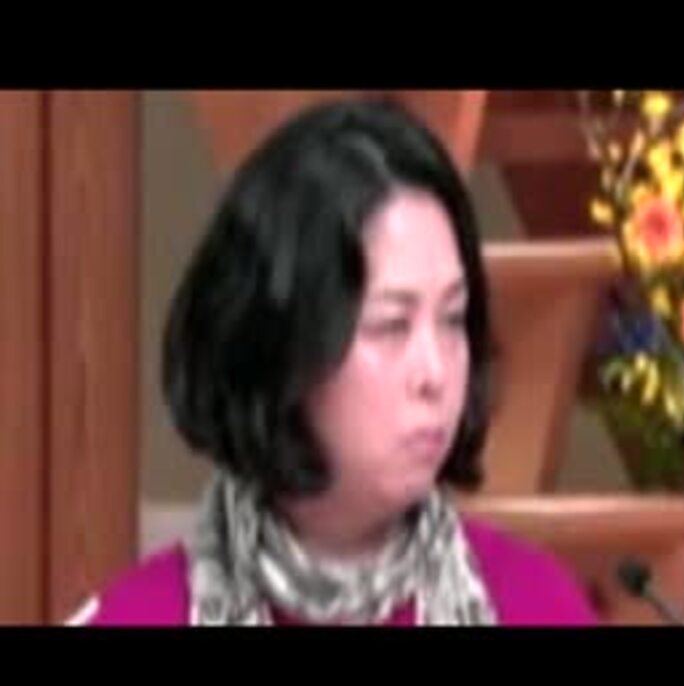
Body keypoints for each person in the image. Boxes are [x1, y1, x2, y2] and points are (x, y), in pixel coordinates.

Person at [71, 96, 598, 626]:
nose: (435, 373)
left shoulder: (535, 604)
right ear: (282, 345)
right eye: (392, 325)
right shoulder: (141, 614)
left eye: (453, 318)